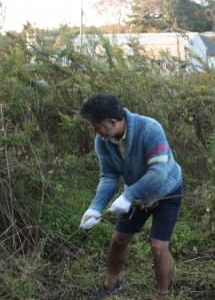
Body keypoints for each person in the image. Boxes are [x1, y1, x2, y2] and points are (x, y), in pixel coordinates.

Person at [79, 93, 183, 300]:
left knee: (158, 246)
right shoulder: (103, 141)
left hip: (167, 192)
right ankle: (111, 284)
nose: (95, 131)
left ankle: (162, 294)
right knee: (118, 240)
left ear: (113, 122)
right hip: (136, 196)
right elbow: (108, 176)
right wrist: (95, 208)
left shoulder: (150, 129)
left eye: (95, 125)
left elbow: (158, 173)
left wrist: (128, 195)